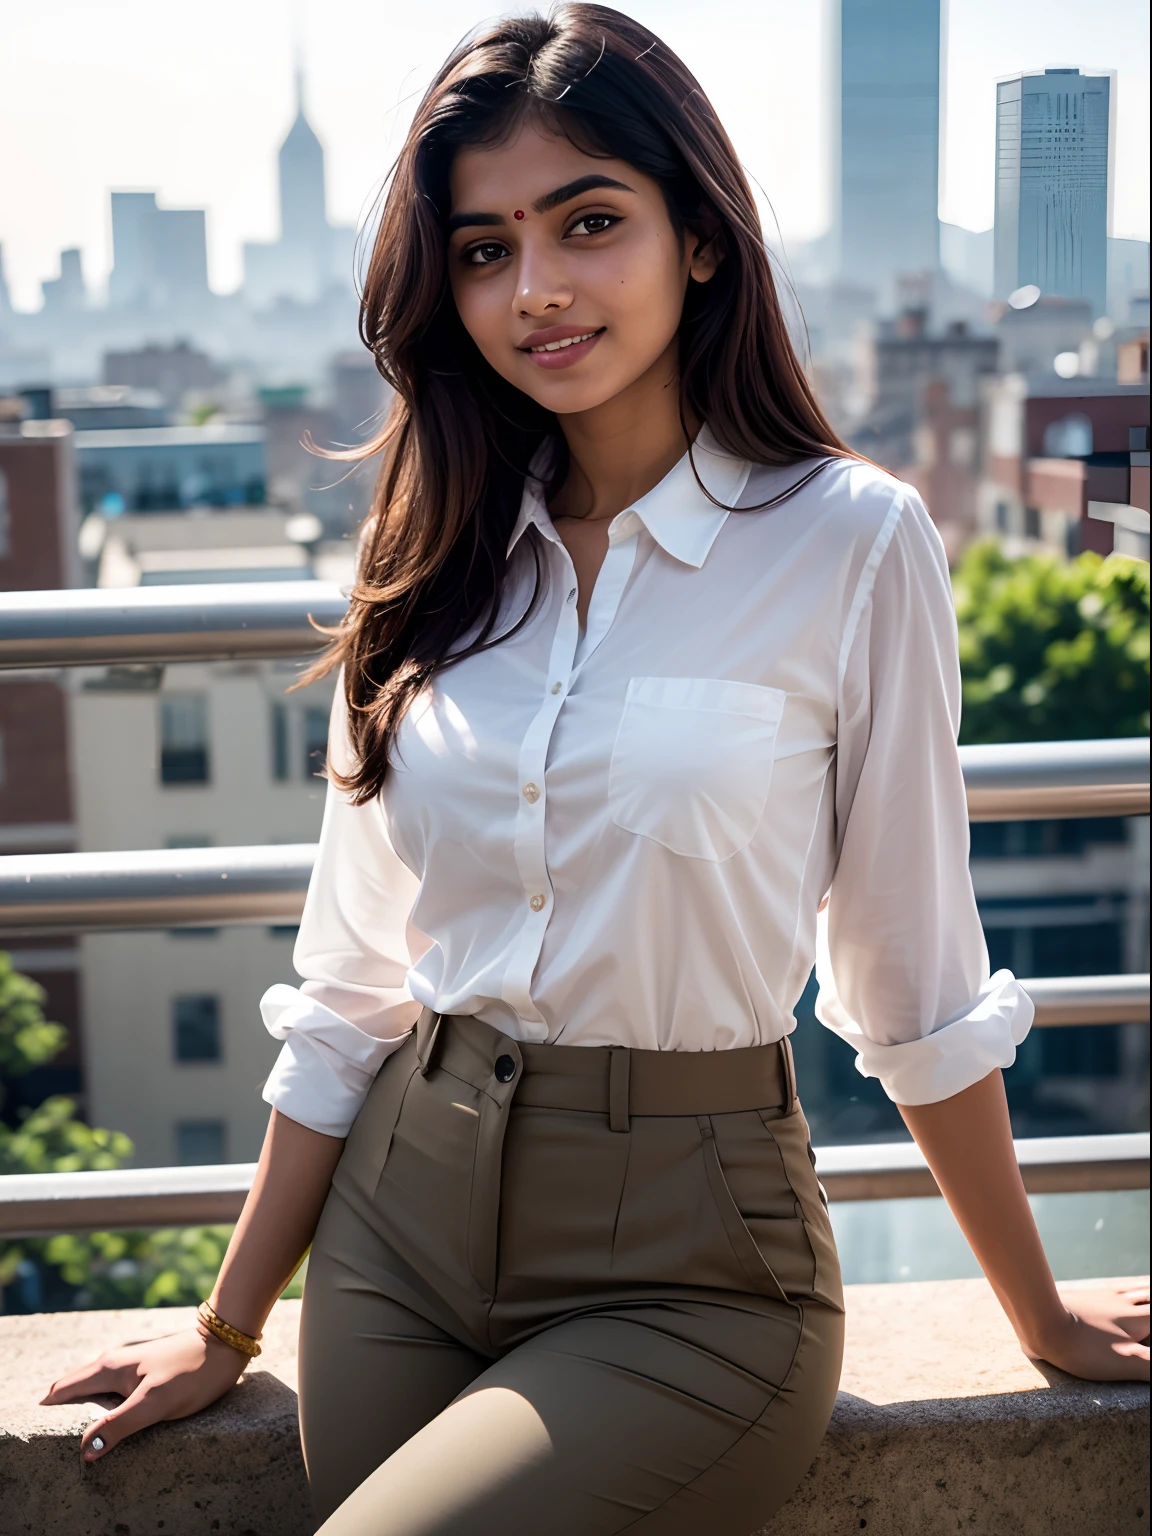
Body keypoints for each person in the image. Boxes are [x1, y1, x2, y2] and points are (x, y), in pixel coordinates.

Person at [44, 7, 1150, 1533]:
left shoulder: (851, 542)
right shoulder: (431, 551)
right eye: (486, 248)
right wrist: (228, 1328)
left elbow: (910, 979)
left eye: (589, 223)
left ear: (699, 238)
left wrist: (1040, 1313)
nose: (536, 288)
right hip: (398, 1235)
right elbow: (356, 978)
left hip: (693, 1267)